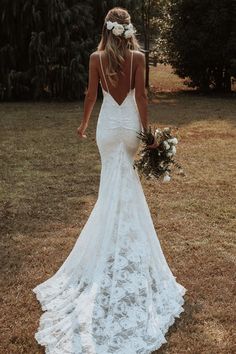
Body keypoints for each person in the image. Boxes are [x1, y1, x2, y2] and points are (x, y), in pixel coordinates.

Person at [33, 7, 186, 354]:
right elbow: (142, 97)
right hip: (129, 129)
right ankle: (122, 245)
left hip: (107, 128)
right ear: (128, 29)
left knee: (110, 189)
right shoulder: (137, 57)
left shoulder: (95, 58)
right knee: (125, 185)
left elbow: (91, 96)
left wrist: (85, 125)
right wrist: (148, 133)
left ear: (106, 29)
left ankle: (109, 245)